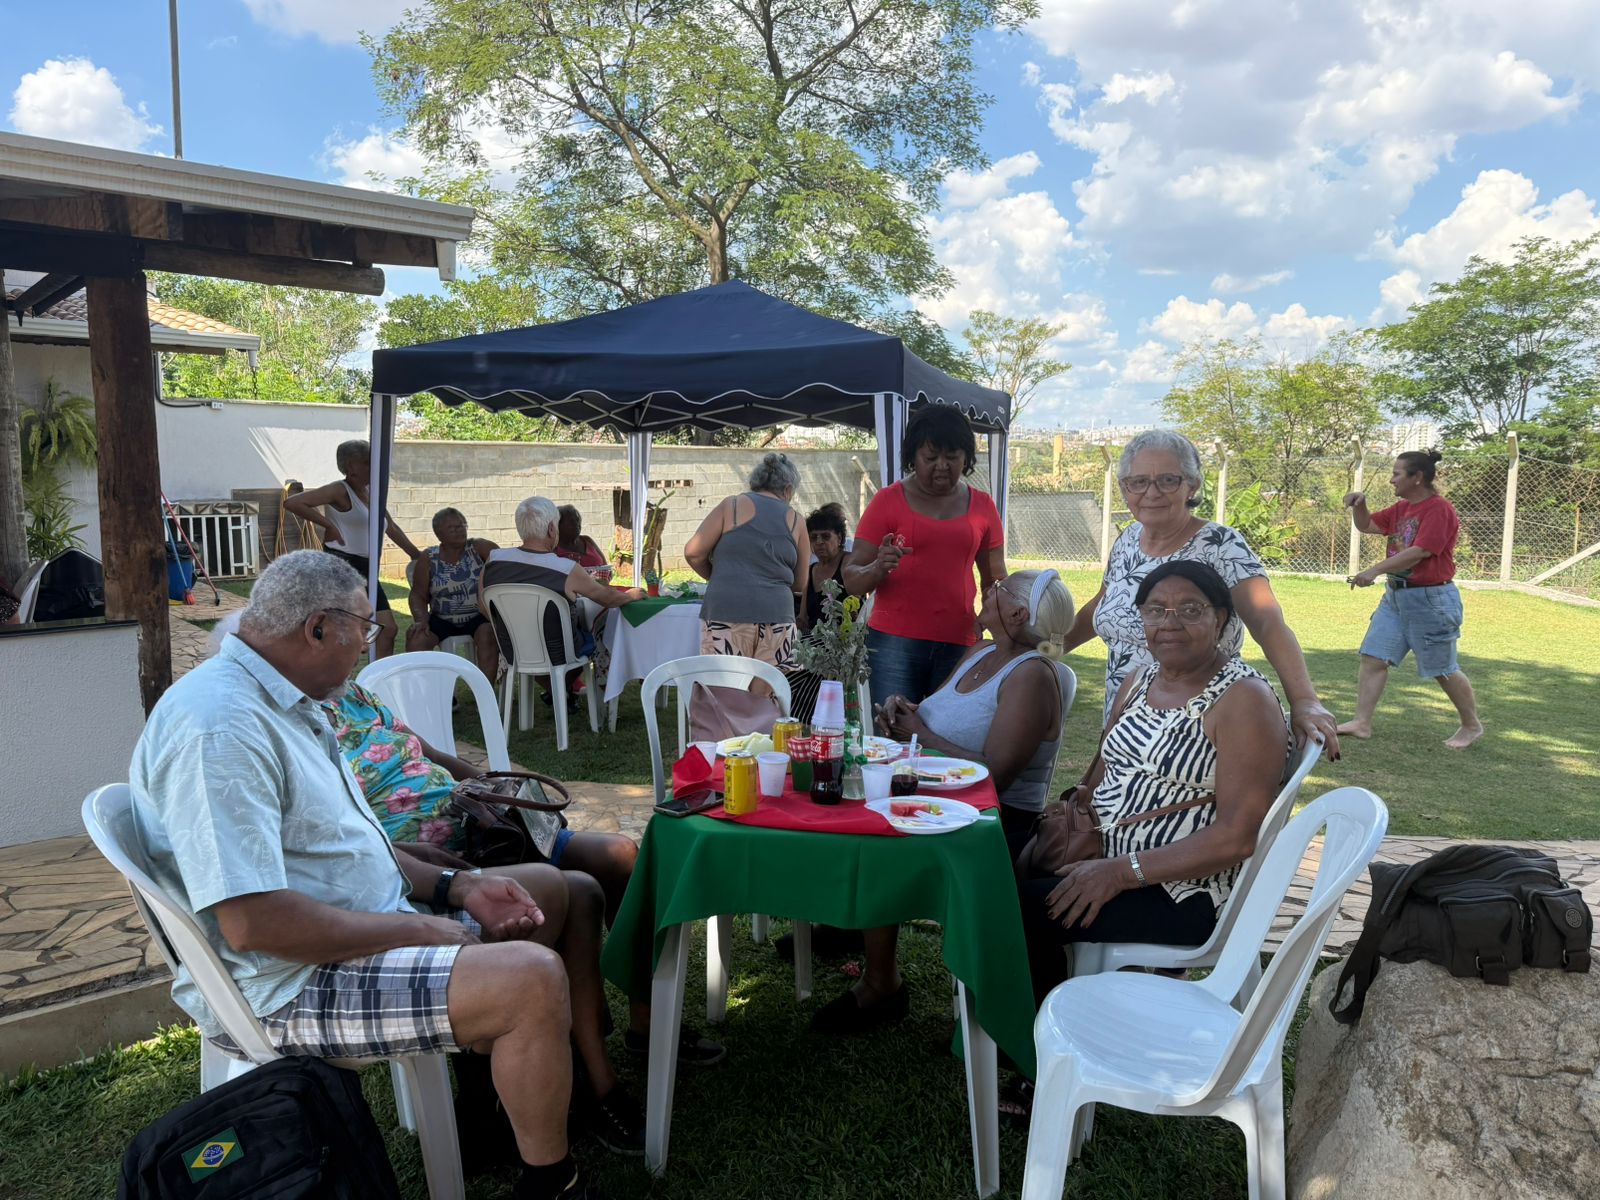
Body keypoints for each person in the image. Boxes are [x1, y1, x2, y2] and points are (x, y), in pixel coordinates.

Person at [129, 550, 607, 1199]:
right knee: (531, 978)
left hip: (349, 934)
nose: (368, 642)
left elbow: (354, 839)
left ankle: (505, 1096)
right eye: (365, 628)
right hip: (288, 984)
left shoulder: (291, 699)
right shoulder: (222, 728)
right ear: (319, 628)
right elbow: (252, 924)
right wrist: (413, 934)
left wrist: (456, 886)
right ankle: (551, 1180)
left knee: (555, 889)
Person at [324, 681, 725, 1080]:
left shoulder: (354, 696)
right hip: (438, 858)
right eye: (357, 628)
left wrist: (501, 792)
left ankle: (647, 1021)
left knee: (620, 854)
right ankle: (582, 1051)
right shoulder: (297, 732)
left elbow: (431, 755)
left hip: (487, 826)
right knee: (576, 889)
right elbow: (342, 842)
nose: (364, 641)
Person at [809, 571, 1076, 1033]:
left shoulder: (1031, 675)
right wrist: (903, 710)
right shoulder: (985, 650)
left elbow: (997, 773)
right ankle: (874, 971)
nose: (988, 589)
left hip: (991, 822)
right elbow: (935, 711)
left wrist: (922, 735)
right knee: (861, 826)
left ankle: (879, 982)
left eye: (1000, 589)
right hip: (936, 797)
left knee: (879, 845)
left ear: (1018, 613)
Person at [1018, 559, 1291, 1005]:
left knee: (1018, 911)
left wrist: (1122, 872)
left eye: (1190, 609)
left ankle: (1040, 1050)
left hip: (1182, 889)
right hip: (1100, 849)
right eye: (1156, 610)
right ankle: (1037, 1018)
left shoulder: (1243, 700)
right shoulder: (1139, 679)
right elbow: (1105, 772)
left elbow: (1238, 837)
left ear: (1220, 619)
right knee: (990, 867)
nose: (1170, 623)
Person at [1060, 429, 1340, 758]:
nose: (1151, 492)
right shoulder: (1127, 541)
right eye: (1138, 482)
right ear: (1124, 488)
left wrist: (1305, 701)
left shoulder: (1220, 545)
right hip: (1127, 723)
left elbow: (1266, 621)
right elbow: (1103, 605)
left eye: (1168, 480)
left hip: (1196, 721)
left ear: (1192, 485)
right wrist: (1050, 648)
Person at [843, 404, 1007, 708]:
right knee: (891, 739)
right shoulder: (887, 502)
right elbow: (851, 579)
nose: (942, 466)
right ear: (912, 457)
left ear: (966, 457)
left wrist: (997, 626)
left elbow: (996, 581)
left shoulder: (983, 506)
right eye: (931, 457)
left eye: (952, 457)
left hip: (960, 643)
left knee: (947, 737)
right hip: (893, 644)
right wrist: (878, 567)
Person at [1337, 450, 1483, 749]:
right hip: (1396, 597)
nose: (1392, 479)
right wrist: (1359, 505)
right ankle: (1362, 723)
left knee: (1442, 668)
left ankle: (1471, 726)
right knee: (1374, 656)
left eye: (1397, 473)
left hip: (1430, 600)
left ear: (1417, 478)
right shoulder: (1402, 508)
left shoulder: (1438, 510)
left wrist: (1374, 570)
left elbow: (1421, 551)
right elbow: (1367, 526)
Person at [481, 497, 647, 705]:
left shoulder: (493, 560)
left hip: (513, 648)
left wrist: (517, 628)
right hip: (560, 653)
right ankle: (566, 690)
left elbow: (484, 605)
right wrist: (632, 594)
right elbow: (607, 598)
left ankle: (557, 691)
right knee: (593, 636)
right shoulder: (565, 568)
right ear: (552, 529)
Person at [284, 439, 422, 660]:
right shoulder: (340, 490)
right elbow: (293, 503)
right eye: (367, 462)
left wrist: (416, 555)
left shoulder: (371, 492)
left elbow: (391, 527)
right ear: (350, 466)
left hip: (367, 568)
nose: (373, 467)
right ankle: (338, 679)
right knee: (348, 630)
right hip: (344, 565)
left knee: (386, 629)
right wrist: (328, 525)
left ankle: (376, 683)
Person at [685, 452, 808, 671]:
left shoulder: (730, 507)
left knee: (724, 691)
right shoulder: (797, 521)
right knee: (768, 696)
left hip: (725, 610)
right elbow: (800, 583)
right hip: (777, 616)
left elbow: (693, 552)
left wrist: (719, 576)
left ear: (755, 483)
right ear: (788, 490)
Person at [405, 507, 500, 677]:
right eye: (453, 528)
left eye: (463, 525)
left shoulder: (480, 548)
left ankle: (485, 693)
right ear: (438, 533)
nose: (460, 530)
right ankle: (428, 692)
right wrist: (421, 619)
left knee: (488, 634)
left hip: (478, 616)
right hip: (441, 618)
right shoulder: (429, 557)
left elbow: (503, 572)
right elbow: (418, 594)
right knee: (416, 638)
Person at [783, 502, 852, 722]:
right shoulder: (811, 571)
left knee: (793, 672)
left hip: (843, 644)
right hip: (813, 643)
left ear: (839, 538)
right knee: (783, 664)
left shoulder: (849, 564)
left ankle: (802, 721)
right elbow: (803, 620)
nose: (819, 542)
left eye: (826, 536)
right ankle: (803, 722)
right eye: (814, 538)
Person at [555, 506, 609, 572]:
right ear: (558, 525)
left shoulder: (587, 540)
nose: (577, 524)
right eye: (571, 521)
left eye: (577, 520)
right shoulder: (553, 548)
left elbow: (606, 568)